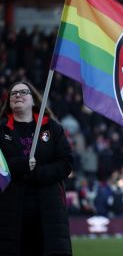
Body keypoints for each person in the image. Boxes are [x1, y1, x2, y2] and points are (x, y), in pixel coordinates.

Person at [0, 81, 73, 256]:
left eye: (24, 92)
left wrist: (37, 173)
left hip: (49, 209)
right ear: (9, 102)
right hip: (12, 210)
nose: (18, 95)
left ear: (34, 100)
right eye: (13, 93)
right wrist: (20, 165)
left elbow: (66, 163)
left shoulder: (53, 128)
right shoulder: (1, 131)